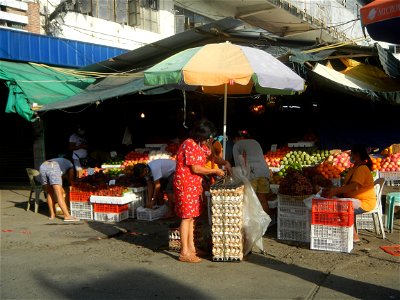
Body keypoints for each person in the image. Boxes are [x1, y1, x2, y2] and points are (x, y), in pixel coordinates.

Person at [174, 119, 231, 263]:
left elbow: (211, 157)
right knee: (186, 218)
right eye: (207, 137)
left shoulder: (201, 145)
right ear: (200, 135)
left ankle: (191, 248)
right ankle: (184, 252)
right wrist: (215, 171)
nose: (208, 140)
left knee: (192, 218)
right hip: (185, 185)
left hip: (194, 185)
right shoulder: (189, 144)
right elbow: (195, 168)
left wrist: (224, 162)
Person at [321, 144, 376, 243]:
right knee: (336, 203)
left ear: (357, 155)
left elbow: (353, 186)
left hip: (364, 203)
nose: (351, 157)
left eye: (352, 155)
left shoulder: (362, 169)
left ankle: (354, 236)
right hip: (355, 199)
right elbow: (349, 185)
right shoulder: (356, 167)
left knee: (340, 206)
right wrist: (336, 190)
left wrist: (336, 190)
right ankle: (347, 233)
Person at [232, 129, 272, 214]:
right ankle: (266, 225)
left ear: (237, 138)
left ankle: (254, 225)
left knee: (251, 200)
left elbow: (237, 164)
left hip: (252, 173)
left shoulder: (237, 145)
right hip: (264, 172)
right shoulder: (255, 142)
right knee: (263, 199)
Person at [39, 158, 79, 222]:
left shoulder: (61, 161)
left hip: (42, 166)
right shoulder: (71, 165)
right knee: (59, 194)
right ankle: (67, 216)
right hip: (53, 167)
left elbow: (61, 176)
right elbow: (71, 179)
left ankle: (52, 215)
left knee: (50, 193)